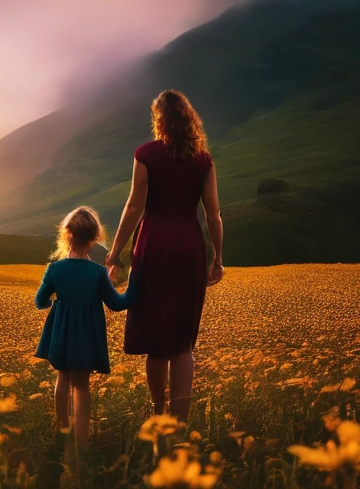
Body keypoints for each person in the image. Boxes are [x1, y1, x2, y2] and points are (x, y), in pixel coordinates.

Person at [106, 90, 223, 421]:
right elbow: (213, 215)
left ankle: (159, 418)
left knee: (156, 339)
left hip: (153, 244)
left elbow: (134, 205)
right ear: (189, 118)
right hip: (189, 246)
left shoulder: (146, 154)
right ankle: (181, 423)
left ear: (158, 118)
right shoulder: (204, 160)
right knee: (183, 344)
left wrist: (115, 252)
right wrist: (218, 257)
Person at [35, 205, 134, 447]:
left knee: (63, 378)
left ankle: (63, 431)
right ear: (93, 239)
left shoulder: (54, 269)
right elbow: (118, 304)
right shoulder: (98, 272)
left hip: (62, 333)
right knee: (82, 386)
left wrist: (55, 303)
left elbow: (40, 301)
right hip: (87, 336)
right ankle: (81, 439)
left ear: (67, 235)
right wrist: (133, 283)